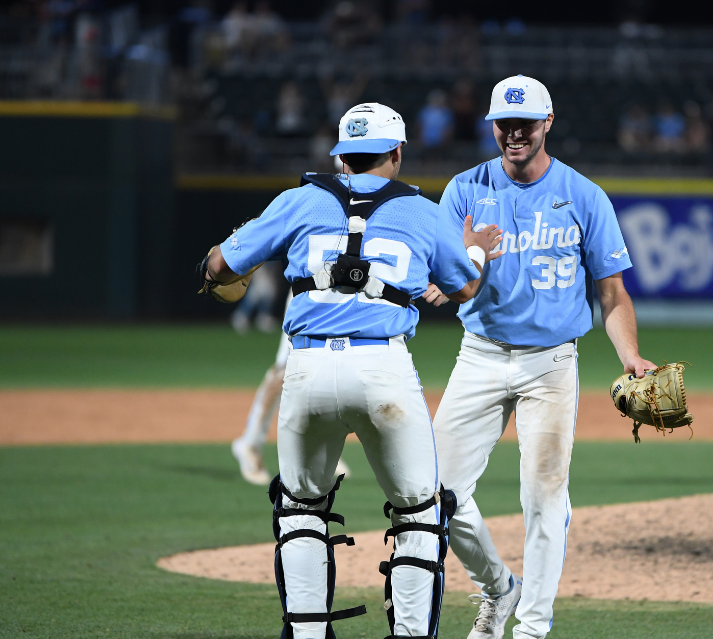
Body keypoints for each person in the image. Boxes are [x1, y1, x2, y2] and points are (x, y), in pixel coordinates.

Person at [199, 102, 503, 639]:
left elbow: (219, 267)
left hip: (307, 366)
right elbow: (464, 288)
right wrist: (476, 252)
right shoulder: (421, 211)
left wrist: (227, 255)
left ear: (341, 156)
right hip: (383, 367)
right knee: (419, 514)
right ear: (397, 152)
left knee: (300, 512)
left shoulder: (298, 201)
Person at [425, 75, 655, 639]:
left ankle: (531, 629)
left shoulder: (583, 196)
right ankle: (500, 588)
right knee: (431, 493)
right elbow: (450, 282)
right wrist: (458, 269)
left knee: (544, 495)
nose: (514, 134)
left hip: (550, 364)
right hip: (478, 355)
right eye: (504, 123)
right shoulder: (463, 190)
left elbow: (612, 292)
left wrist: (631, 356)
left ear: (548, 123)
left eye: (525, 124)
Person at [230, 320, 352, 486]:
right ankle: (250, 444)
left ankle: (319, 446)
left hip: (339, 300)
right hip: (304, 298)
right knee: (285, 368)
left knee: (328, 362)